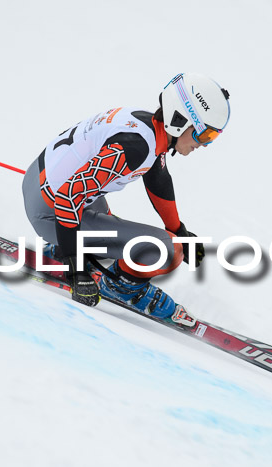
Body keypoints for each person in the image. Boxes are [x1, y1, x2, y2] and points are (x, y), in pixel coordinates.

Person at [21, 72, 230, 327]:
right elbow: (67, 197)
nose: (204, 144)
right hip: (51, 210)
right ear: (180, 121)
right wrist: (76, 271)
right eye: (204, 135)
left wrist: (179, 229)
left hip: (41, 183)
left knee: (159, 239)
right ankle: (121, 286)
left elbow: (158, 179)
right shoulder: (133, 147)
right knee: (168, 250)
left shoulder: (148, 129)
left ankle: (70, 247)